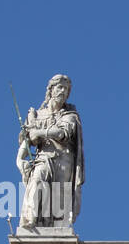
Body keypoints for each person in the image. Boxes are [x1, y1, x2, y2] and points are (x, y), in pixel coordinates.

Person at [19, 74, 84, 229]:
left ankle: (57, 234)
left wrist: (39, 132)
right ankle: (31, 224)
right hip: (43, 158)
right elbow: (27, 141)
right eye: (60, 87)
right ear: (51, 90)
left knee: (59, 200)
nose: (63, 91)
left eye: (66, 89)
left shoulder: (70, 115)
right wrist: (20, 160)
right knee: (37, 181)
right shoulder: (38, 115)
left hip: (64, 160)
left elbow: (62, 134)